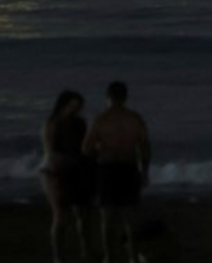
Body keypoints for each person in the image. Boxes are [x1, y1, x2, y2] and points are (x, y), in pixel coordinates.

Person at [83, 80, 152, 263]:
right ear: (125, 97)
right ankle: (132, 258)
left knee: (107, 218)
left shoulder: (101, 119)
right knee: (131, 218)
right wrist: (144, 171)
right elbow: (144, 147)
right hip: (129, 168)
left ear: (108, 97)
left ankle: (110, 257)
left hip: (107, 169)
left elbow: (86, 149)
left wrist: (100, 148)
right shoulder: (135, 118)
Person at [38, 90, 93, 263]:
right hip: (55, 173)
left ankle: (86, 252)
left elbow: (85, 148)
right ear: (64, 105)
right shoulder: (52, 123)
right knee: (60, 216)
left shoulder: (79, 122)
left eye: (79, 107)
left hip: (75, 170)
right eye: (74, 106)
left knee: (83, 215)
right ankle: (58, 257)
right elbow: (51, 151)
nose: (77, 110)